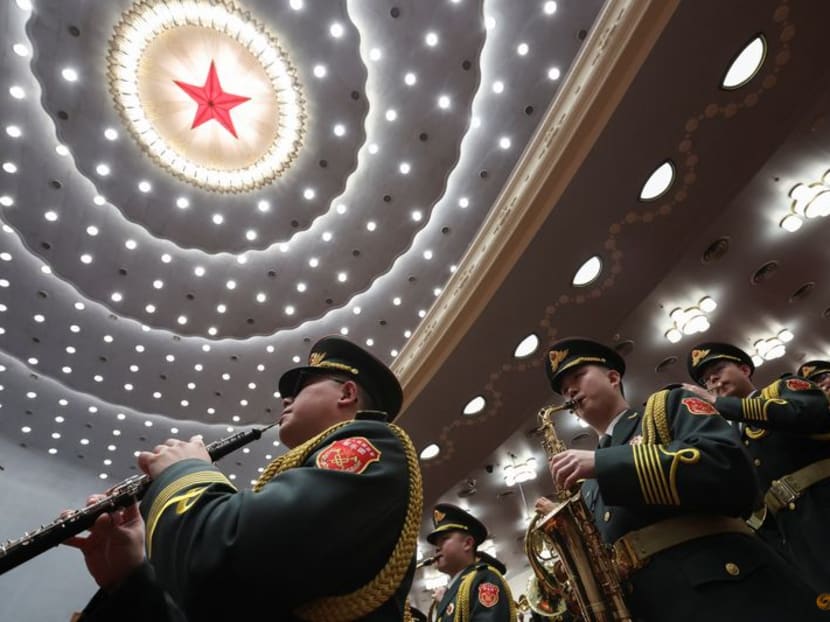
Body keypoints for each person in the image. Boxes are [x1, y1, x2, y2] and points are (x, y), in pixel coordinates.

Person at [69, 336, 423, 621]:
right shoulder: (306, 471)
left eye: (302, 385)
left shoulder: (370, 444)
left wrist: (185, 474)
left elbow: (229, 563)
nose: (285, 398)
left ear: (347, 393)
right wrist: (130, 578)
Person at [543, 337, 826, 621]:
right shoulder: (589, 483)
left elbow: (727, 466)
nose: (570, 391)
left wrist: (604, 464)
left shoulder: (665, 407)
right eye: (565, 390)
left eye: (578, 376)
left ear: (613, 377)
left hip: (727, 596)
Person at [682, 342, 830, 595]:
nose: (713, 380)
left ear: (744, 369)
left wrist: (723, 405)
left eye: (718, 369)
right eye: (706, 380)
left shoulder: (782, 388)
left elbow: (809, 413)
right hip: (788, 530)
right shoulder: (729, 434)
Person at [427, 504, 516, 622]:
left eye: (444, 539)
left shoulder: (484, 579)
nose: (437, 548)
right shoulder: (453, 591)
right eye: (436, 543)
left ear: (467, 543)